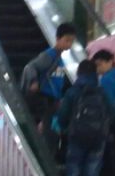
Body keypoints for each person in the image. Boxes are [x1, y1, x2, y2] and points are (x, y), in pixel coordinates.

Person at [56, 60, 110, 176]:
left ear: (79, 73)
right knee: (91, 175)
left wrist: (65, 128)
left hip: (77, 138)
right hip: (98, 140)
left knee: (73, 172)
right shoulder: (101, 92)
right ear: (95, 73)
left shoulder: (73, 92)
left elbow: (62, 116)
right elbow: (112, 112)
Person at [20, 22, 76, 155]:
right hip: (45, 98)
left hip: (53, 100)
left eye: (71, 41)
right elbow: (31, 67)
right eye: (67, 40)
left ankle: (47, 155)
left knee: (51, 130)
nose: (69, 44)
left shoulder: (59, 58)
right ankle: (46, 158)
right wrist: (34, 81)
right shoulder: (49, 55)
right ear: (58, 39)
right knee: (49, 132)